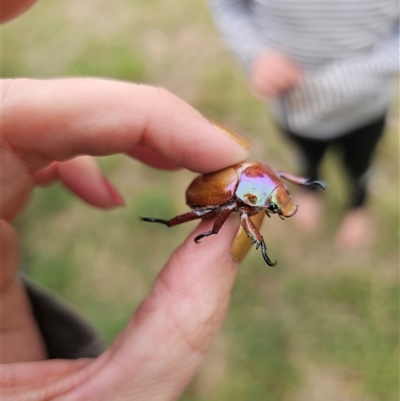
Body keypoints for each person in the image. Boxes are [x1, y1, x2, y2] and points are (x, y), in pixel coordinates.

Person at [1, 1, 255, 399]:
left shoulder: (249, 189)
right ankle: (169, 222)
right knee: (216, 218)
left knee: (222, 218)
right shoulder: (234, 196)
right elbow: (218, 207)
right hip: (208, 196)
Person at [209, 0, 399, 248]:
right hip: (295, 108)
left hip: (366, 109)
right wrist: (257, 53)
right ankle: (310, 190)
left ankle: (357, 205)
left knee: (359, 166)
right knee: (306, 158)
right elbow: (230, 6)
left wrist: (342, 81)